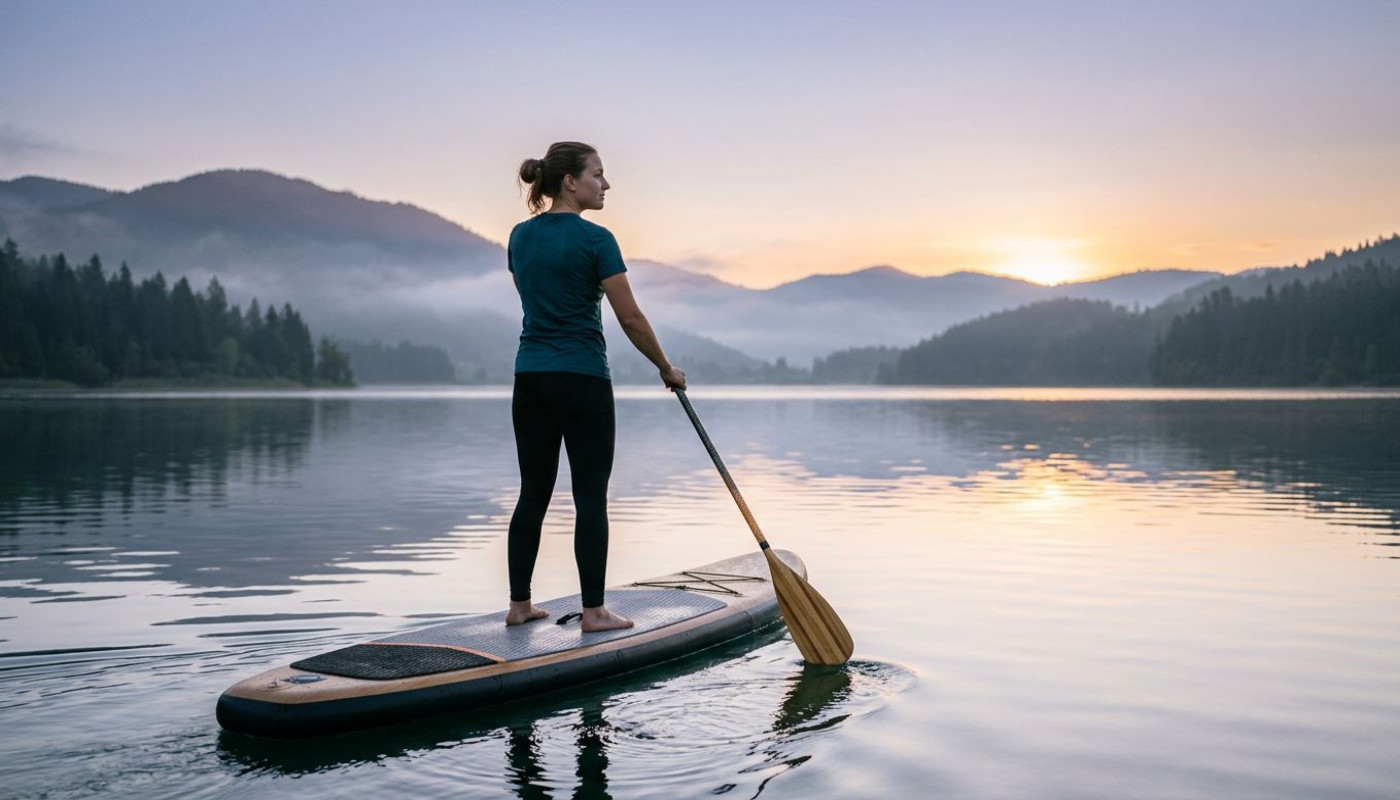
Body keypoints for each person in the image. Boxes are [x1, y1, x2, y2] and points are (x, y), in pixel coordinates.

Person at [505, 141, 686, 632]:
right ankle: (594, 612)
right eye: (598, 174)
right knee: (590, 497)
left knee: (532, 493)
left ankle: (519, 606)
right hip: (582, 378)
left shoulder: (519, 237)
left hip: (530, 378)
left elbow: (532, 299)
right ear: (570, 181)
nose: (606, 184)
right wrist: (666, 367)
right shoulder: (597, 239)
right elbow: (630, 317)